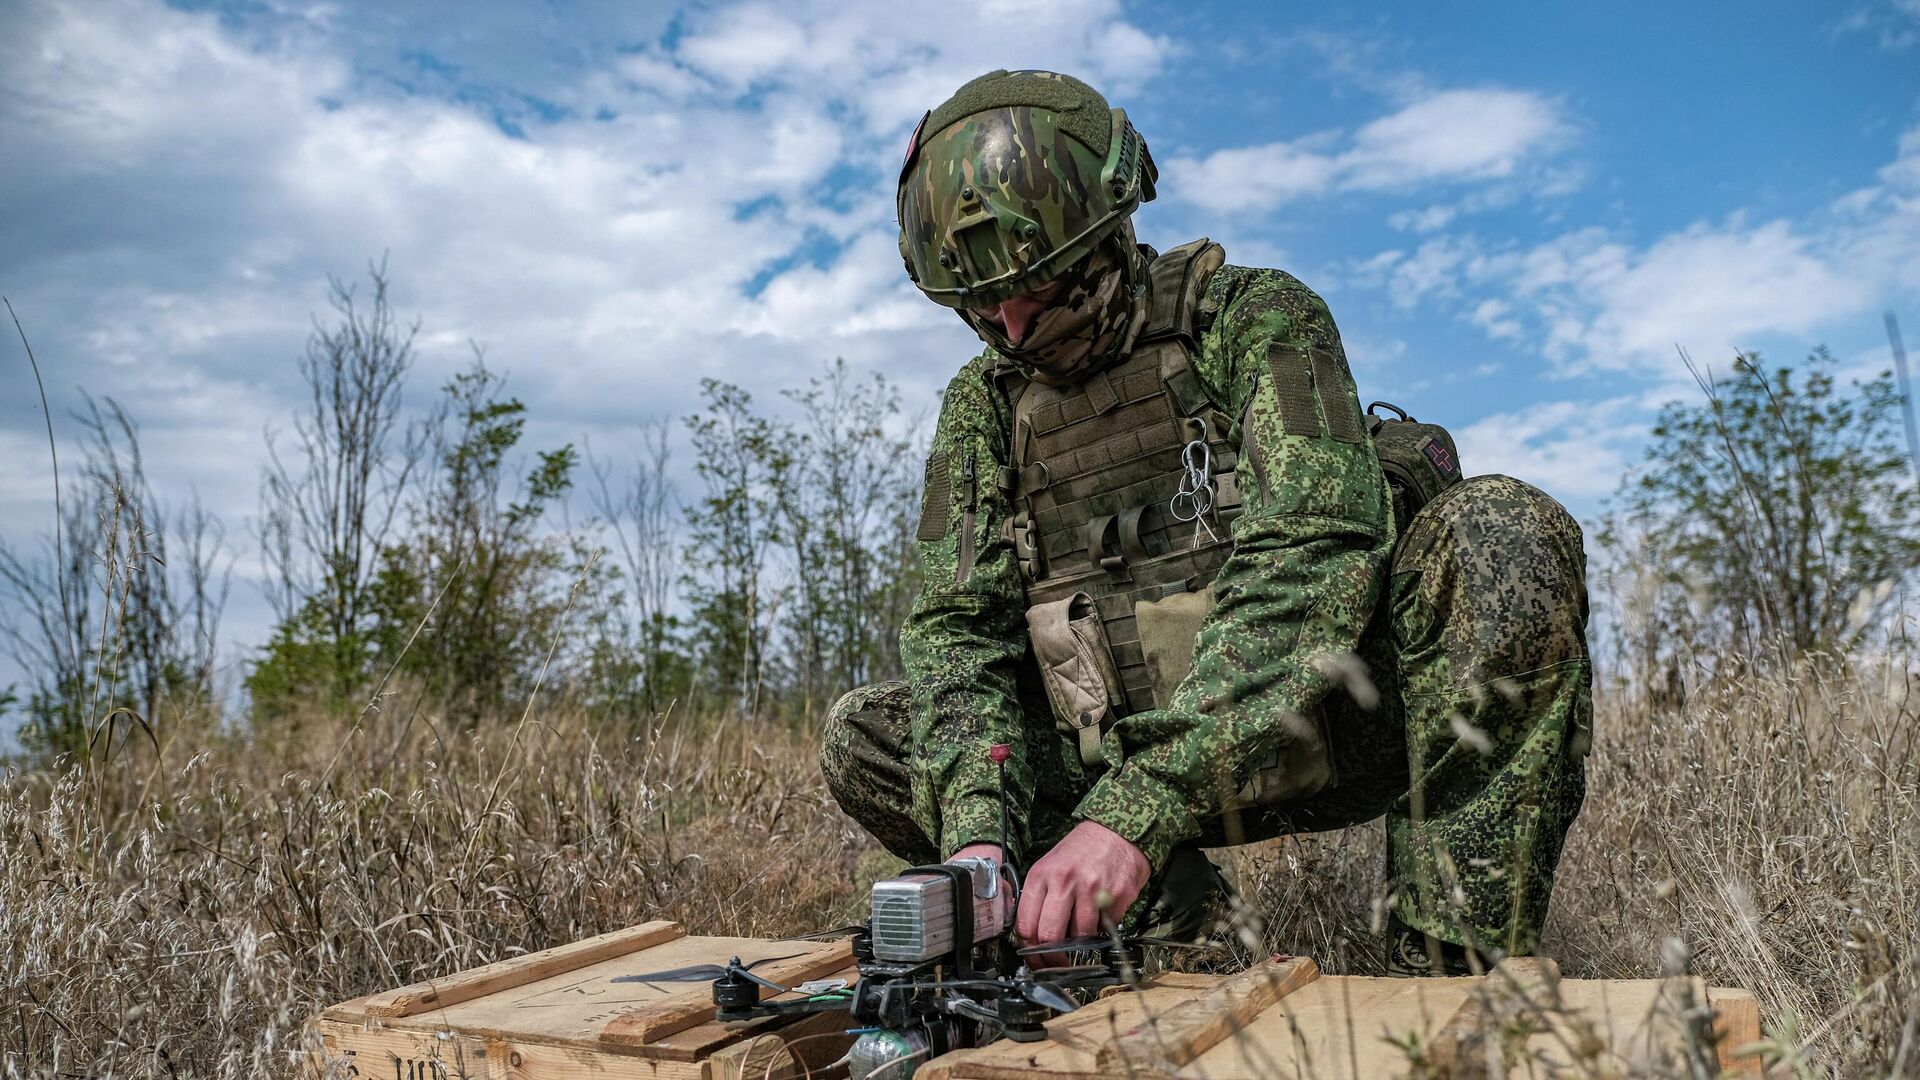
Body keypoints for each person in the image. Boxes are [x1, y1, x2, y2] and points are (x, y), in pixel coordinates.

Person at [821, 69, 1592, 976]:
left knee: (1502, 532)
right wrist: (980, 837)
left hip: (1336, 724)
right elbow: (959, 633)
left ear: (1108, 234)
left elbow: (1312, 561)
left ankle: (1451, 967)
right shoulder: (983, 407)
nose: (1014, 329)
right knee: (870, 733)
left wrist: (1134, 812)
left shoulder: (1254, 319)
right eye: (984, 307)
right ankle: (1183, 929)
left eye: (1041, 289)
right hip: (1109, 753)